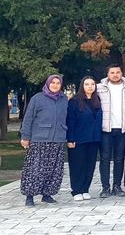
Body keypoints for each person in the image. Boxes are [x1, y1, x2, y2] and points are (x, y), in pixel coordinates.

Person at [19, 75, 68, 207]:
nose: (55, 85)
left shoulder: (64, 99)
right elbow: (28, 118)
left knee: (54, 169)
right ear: (48, 84)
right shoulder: (37, 98)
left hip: (58, 139)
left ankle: (47, 194)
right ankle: (30, 196)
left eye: (58, 83)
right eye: (53, 82)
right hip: (39, 139)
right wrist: (25, 136)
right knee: (35, 169)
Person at [96, 64, 125, 198]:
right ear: (107, 74)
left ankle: (117, 186)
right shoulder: (99, 88)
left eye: (117, 72)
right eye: (112, 72)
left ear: (121, 73)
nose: (115, 75)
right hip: (105, 128)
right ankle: (105, 187)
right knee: (105, 159)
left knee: (120, 159)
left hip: (123, 129)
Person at [66, 76, 102, 201]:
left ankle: (85, 189)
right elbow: (70, 121)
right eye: (87, 84)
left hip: (94, 139)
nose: (90, 86)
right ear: (82, 86)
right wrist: (70, 139)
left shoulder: (97, 100)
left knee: (90, 165)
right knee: (77, 165)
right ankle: (77, 190)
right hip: (78, 139)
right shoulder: (74, 101)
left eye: (92, 84)